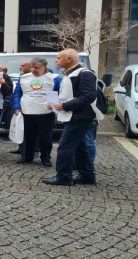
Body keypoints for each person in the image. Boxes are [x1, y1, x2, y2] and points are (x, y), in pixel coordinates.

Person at [43, 49, 97, 186]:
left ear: (69, 59)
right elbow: (69, 95)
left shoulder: (84, 73)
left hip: (79, 116)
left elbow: (89, 96)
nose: (56, 61)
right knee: (80, 146)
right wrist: (56, 105)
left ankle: (64, 176)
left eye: (59, 58)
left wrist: (65, 106)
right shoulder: (70, 74)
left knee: (65, 147)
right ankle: (87, 175)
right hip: (74, 115)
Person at [13, 57, 61, 167]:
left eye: (37, 68)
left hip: (45, 113)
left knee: (46, 137)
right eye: (32, 67)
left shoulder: (53, 78)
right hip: (27, 111)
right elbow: (17, 93)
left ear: (44, 67)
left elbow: (57, 93)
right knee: (28, 136)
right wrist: (16, 107)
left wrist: (54, 106)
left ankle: (45, 158)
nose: (33, 70)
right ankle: (27, 157)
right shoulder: (24, 78)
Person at [9, 60, 32, 155]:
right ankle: (22, 149)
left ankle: (35, 150)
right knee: (21, 128)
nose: (20, 67)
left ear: (31, 67)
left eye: (23, 65)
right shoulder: (21, 78)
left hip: (34, 109)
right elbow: (17, 93)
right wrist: (16, 106)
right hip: (22, 108)